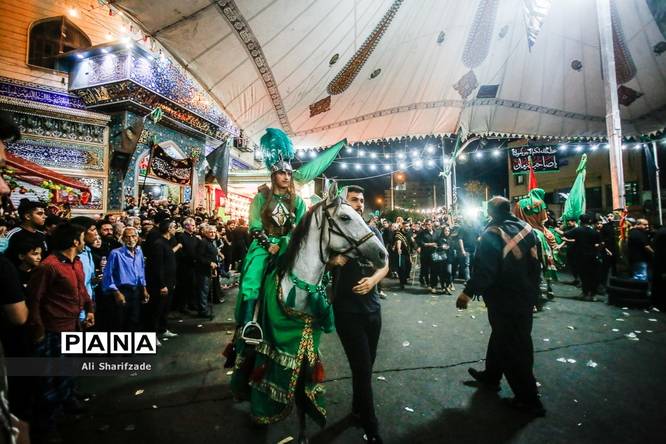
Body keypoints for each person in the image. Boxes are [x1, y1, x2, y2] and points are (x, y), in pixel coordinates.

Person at [456, 196, 544, 416]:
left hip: (504, 298)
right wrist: (535, 296)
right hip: (525, 297)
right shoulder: (528, 229)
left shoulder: (492, 233)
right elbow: (536, 265)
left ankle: (529, 399)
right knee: (503, 337)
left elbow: (485, 269)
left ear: (490, 212)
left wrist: (467, 293)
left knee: (514, 346)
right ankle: (491, 376)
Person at [329, 186, 388, 444]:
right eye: (354, 200)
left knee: (366, 365)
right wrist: (334, 261)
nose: (360, 204)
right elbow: (320, 261)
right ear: (344, 204)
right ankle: (370, 425)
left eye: (362, 200)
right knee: (363, 367)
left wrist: (373, 281)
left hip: (373, 310)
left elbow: (384, 264)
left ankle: (357, 406)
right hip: (347, 311)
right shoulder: (335, 233)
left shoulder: (372, 231)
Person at [26, 222, 95, 440]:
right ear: (75, 241)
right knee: (49, 380)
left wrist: (89, 309)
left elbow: (81, 290)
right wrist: (38, 329)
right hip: (53, 330)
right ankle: (47, 426)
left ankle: (69, 400)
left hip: (73, 325)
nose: (85, 242)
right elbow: (34, 300)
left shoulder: (77, 262)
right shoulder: (49, 266)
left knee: (68, 368)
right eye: (83, 238)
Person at [235, 128, 306, 326]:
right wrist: (269, 245)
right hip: (263, 245)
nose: (286, 177)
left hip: (289, 243)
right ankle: (248, 324)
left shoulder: (298, 201)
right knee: (252, 277)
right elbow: (255, 227)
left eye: (289, 173)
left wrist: (292, 237)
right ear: (274, 175)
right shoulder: (261, 197)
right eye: (282, 172)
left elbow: (302, 227)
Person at [101, 227, 149, 332]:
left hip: (136, 291)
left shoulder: (139, 251)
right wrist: (116, 292)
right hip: (122, 291)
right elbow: (108, 275)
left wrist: (144, 288)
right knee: (120, 322)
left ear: (137, 237)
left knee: (134, 320)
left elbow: (141, 271)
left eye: (133, 236)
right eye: (127, 237)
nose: (130, 239)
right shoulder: (116, 253)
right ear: (122, 239)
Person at [145, 220, 178, 340]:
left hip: (169, 281)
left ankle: (163, 329)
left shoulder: (167, 242)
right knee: (157, 310)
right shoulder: (158, 244)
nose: (175, 229)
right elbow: (157, 266)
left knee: (165, 308)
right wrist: (162, 285)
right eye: (174, 227)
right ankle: (152, 335)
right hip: (161, 284)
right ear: (168, 229)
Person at [562, 214, 602, 300]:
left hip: (581, 256)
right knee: (592, 275)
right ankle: (592, 294)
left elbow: (565, 234)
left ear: (580, 221)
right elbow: (600, 243)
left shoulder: (578, 230)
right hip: (592, 256)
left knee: (583, 275)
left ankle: (585, 293)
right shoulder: (594, 232)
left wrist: (556, 230)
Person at [195, 224, 219, 318]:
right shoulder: (203, 242)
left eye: (214, 232)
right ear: (206, 233)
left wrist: (214, 269)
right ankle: (202, 311)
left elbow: (213, 256)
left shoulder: (211, 242)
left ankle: (204, 309)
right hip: (203, 270)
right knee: (203, 291)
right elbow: (199, 257)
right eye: (210, 232)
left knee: (206, 291)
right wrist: (210, 263)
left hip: (209, 270)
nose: (213, 234)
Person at [430, 225, 452, 294]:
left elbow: (452, 247)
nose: (447, 232)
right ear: (443, 231)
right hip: (441, 258)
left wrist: (449, 247)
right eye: (445, 230)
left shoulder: (450, 238)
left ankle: (447, 286)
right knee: (442, 273)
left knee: (449, 272)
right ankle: (443, 287)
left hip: (449, 258)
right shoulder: (440, 239)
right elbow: (438, 247)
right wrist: (442, 247)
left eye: (448, 231)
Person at [416, 220, 437, 288]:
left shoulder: (435, 232)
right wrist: (430, 244)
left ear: (432, 224)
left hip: (434, 253)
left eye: (429, 224)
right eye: (426, 224)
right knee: (425, 269)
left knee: (433, 269)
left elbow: (438, 241)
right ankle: (427, 283)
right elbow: (420, 242)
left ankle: (433, 283)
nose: (428, 226)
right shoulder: (422, 232)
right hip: (425, 253)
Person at [393, 223, 412, 290]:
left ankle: (405, 278)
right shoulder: (399, 234)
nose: (408, 227)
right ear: (403, 226)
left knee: (409, 266)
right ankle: (402, 282)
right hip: (401, 253)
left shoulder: (409, 233)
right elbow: (399, 241)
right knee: (402, 268)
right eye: (406, 226)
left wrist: (416, 247)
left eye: (408, 226)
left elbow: (412, 240)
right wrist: (398, 248)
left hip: (407, 252)